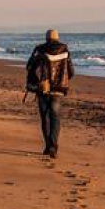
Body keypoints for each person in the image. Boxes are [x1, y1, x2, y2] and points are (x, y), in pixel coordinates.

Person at [26, 29, 75, 158]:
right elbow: (71, 71)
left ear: (46, 37)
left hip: (43, 88)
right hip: (58, 89)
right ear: (57, 38)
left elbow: (29, 66)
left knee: (45, 118)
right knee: (55, 118)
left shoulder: (40, 49)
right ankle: (53, 146)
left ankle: (48, 146)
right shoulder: (65, 51)